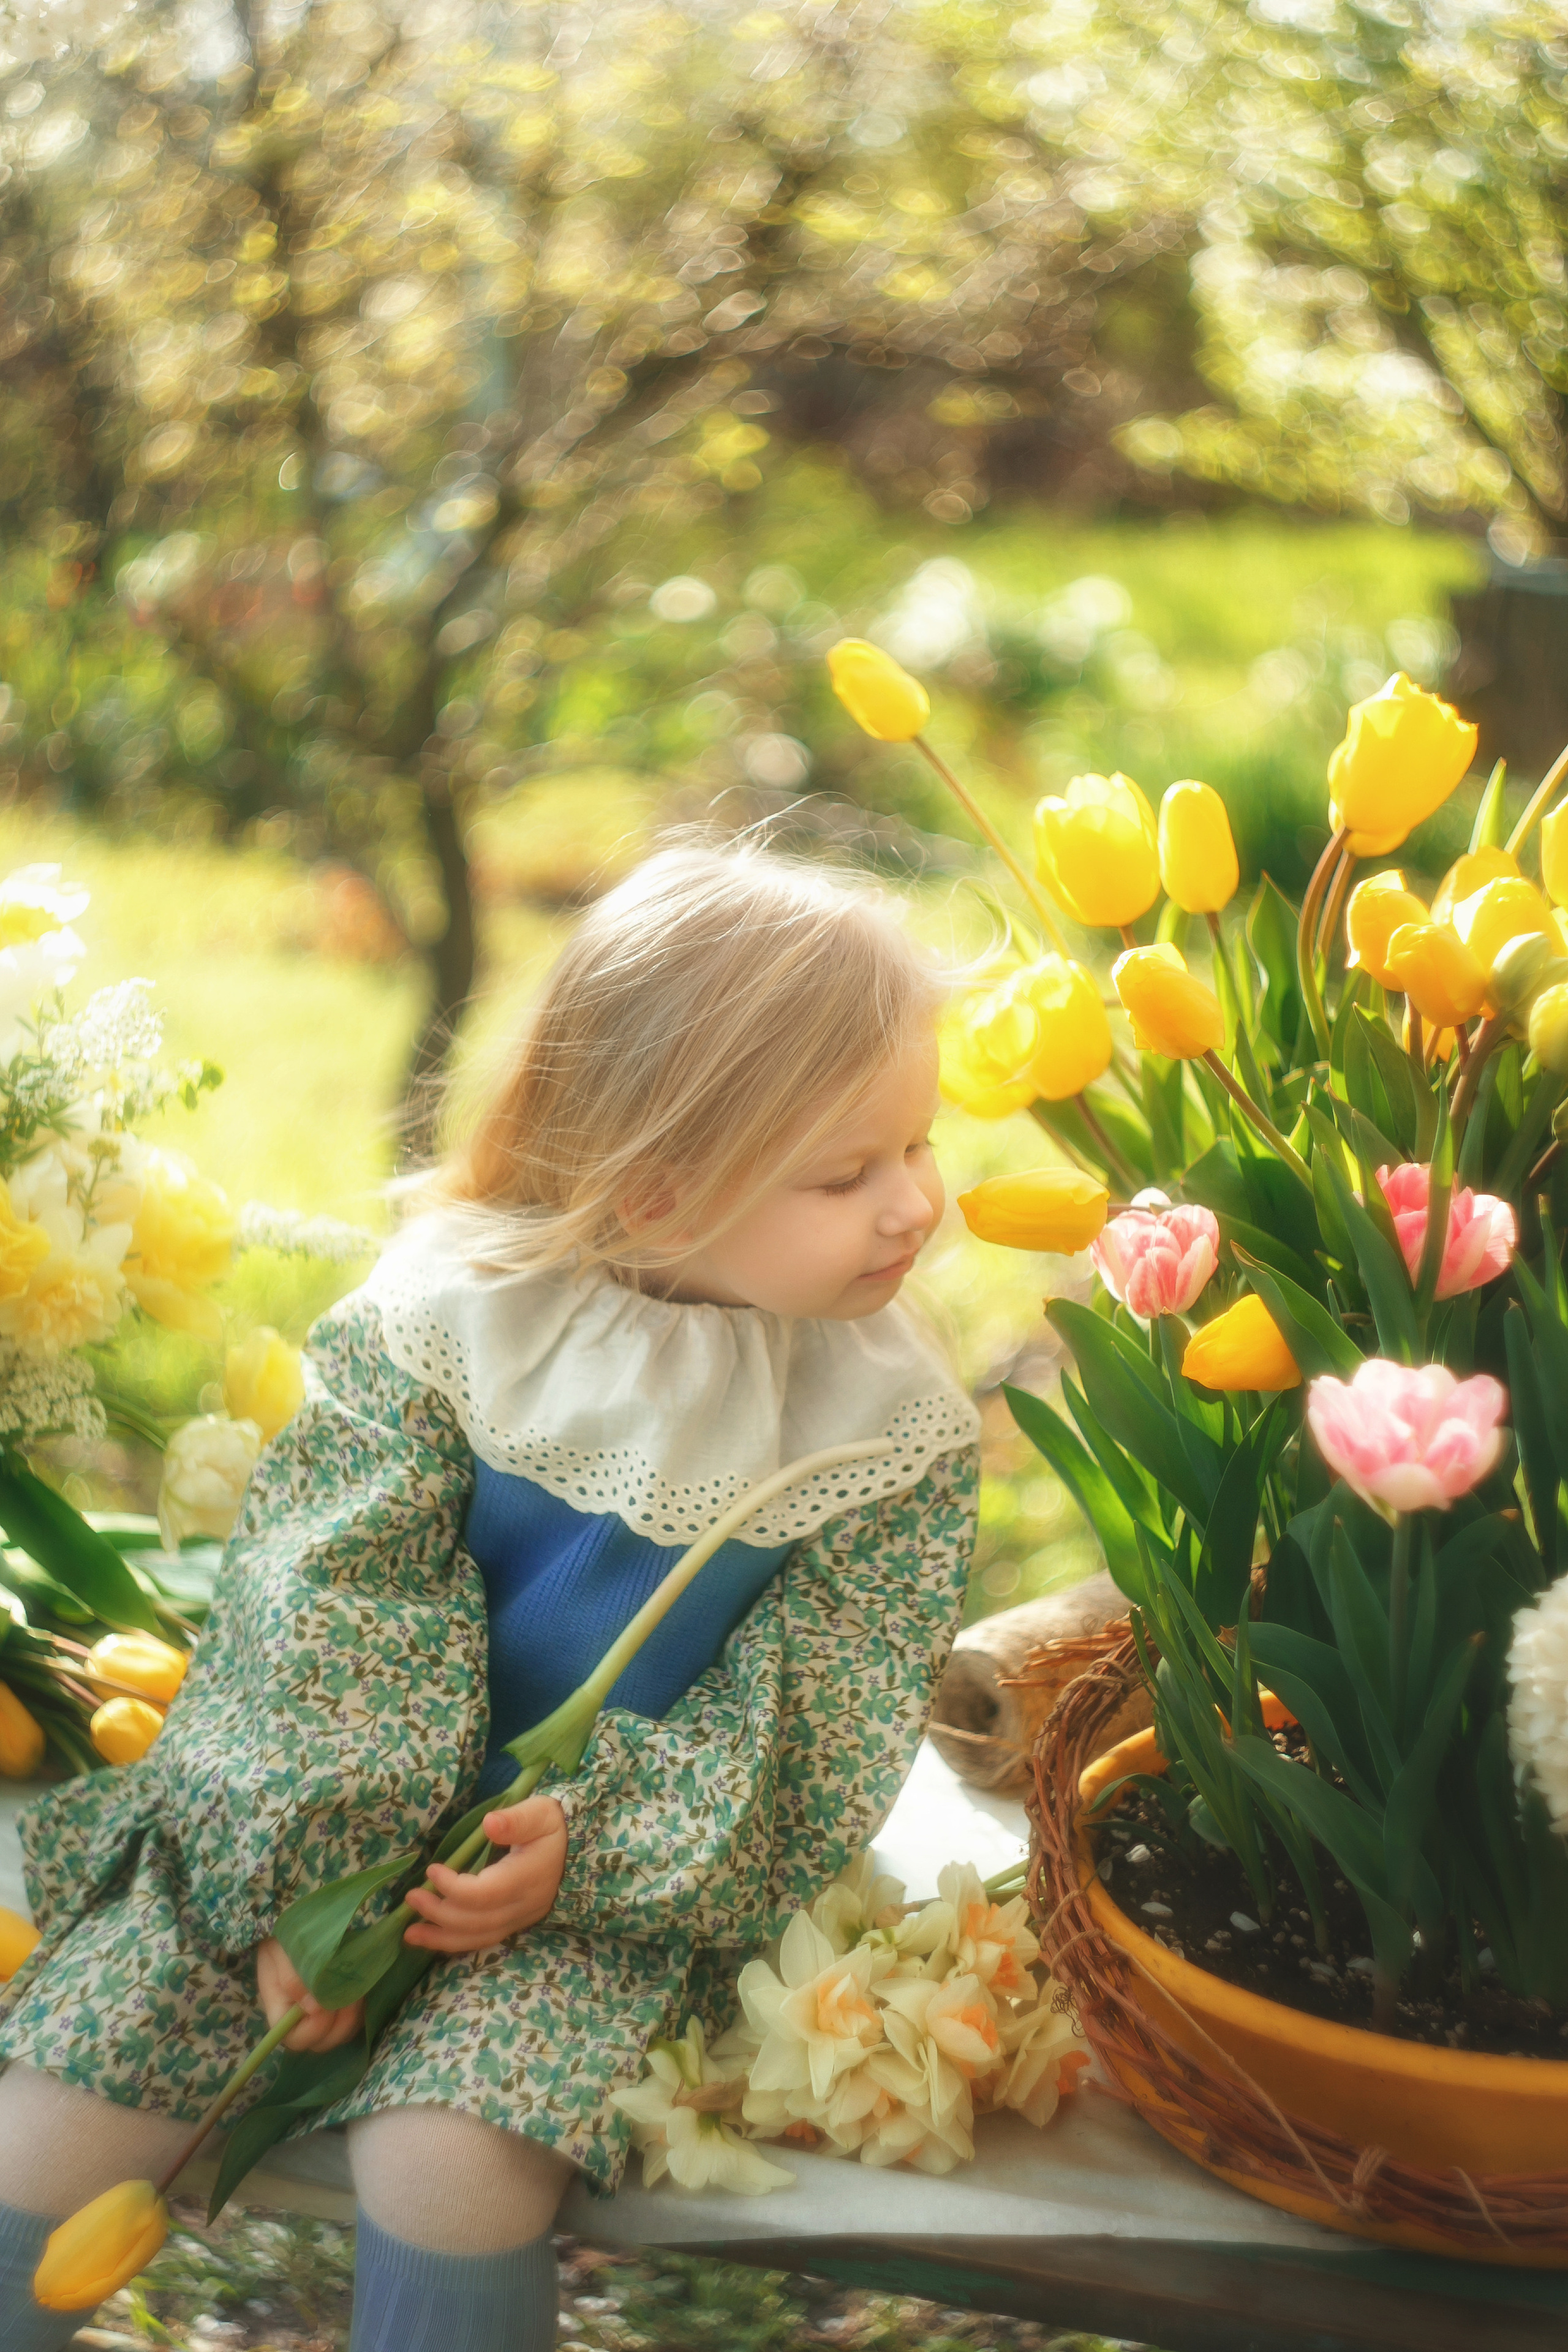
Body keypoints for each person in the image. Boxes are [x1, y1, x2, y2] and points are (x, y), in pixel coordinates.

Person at [0, 842, 981, 2351]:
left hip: (607, 1878)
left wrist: (591, 1847)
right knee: (61, 2115)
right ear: (653, 1196)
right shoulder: (455, 1317)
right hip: (303, 1806)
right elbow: (324, 1598)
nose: (911, 1206)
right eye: (845, 1174)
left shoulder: (878, 1421)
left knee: (450, 2163)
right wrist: (313, 1899)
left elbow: (826, 1705)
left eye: (917, 1145)